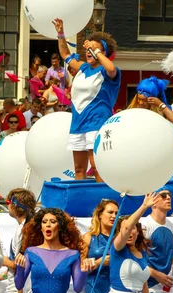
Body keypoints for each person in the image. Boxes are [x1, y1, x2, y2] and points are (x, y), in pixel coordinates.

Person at [54, 18, 121, 181]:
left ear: (102, 53)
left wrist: (95, 49)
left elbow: (111, 67)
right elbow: (65, 54)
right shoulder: (83, 68)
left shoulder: (109, 72)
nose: (88, 53)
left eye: (93, 50)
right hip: (78, 124)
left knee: (97, 166)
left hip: (96, 123)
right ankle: (81, 202)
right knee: (78, 169)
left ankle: (103, 203)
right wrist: (61, 33)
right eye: (88, 50)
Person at [14, 208, 85, 293]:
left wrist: (84, 272)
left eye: (53, 222)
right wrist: (19, 268)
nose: (48, 225)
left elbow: (78, 288)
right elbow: (19, 285)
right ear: (40, 228)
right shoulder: (31, 252)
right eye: (44, 222)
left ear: (60, 227)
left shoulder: (73, 255)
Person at [100, 194, 159, 293]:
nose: (129, 232)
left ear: (138, 232)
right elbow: (126, 228)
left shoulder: (142, 253)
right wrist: (144, 206)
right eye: (125, 230)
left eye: (133, 228)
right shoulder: (117, 248)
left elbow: (144, 285)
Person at [141, 187, 173, 293]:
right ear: (153, 202)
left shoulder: (171, 226)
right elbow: (136, 259)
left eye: (169, 195)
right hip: (150, 288)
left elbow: (168, 253)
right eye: (164, 195)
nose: (169, 198)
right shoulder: (144, 225)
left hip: (168, 288)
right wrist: (156, 275)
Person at [1, 189, 36, 293]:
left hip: (18, 289)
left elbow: (20, 265)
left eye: (8, 201)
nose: (7, 205)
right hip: (18, 287)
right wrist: (1, 276)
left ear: (16, 205)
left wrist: (0, 260)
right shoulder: (24, 227)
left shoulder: (24, 230)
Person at [81, 199, 119, 293]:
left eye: (116, 213)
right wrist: (98, 262)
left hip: (116, 289)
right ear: (100, 214)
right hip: (95, 287)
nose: (113, 216)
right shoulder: (88, 237)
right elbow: (80, 268)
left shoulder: (119, 239)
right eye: (110, 212)